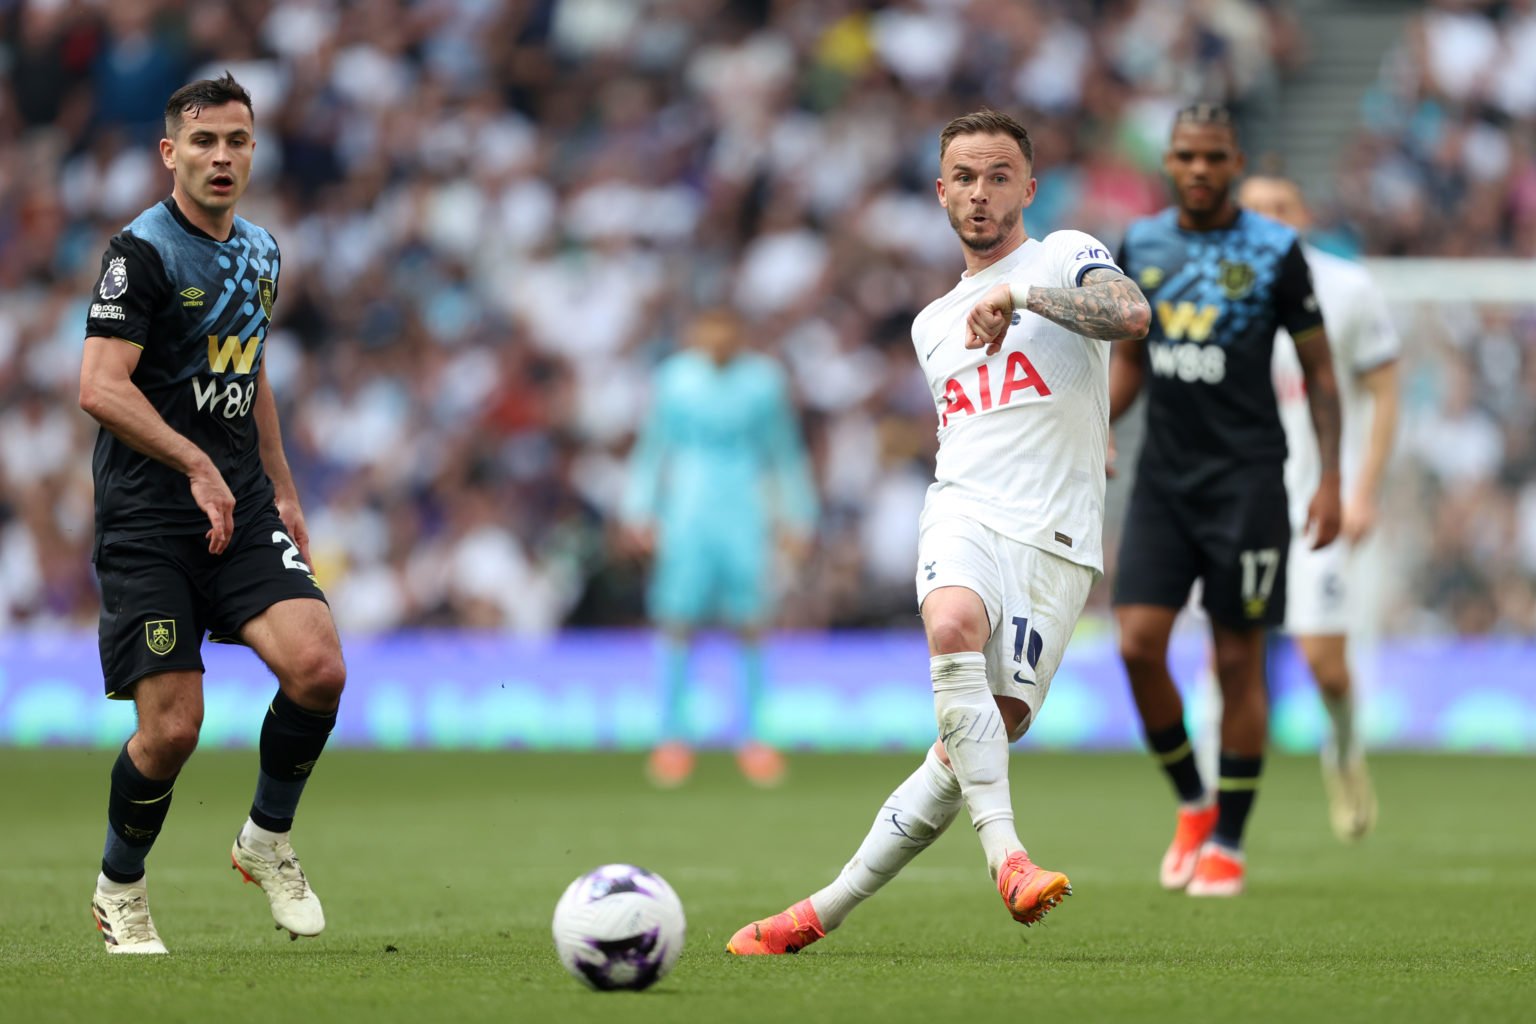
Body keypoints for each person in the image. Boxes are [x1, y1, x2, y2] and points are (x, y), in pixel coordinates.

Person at [726, 109, 1150, 954]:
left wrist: (1021, 295)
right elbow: (979, 429)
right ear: (940, 193)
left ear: (1029, 188)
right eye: (964, 178)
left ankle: (820, 910)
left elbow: (1129, 316)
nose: (981, 194)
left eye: (999, 177)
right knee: (950, 621)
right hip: (962, 508)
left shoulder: (1063, 255)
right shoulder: (930, 325)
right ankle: (1011, 859)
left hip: (1057, 543)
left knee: (974, 739)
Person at [79, 73, 345, 954]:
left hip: (239, 500)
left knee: (318, 668)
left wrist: (285, 483)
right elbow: (99, 386)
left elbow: (249, 367)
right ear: (171, 154)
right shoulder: (141, 253)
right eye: (203, 142)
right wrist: (194, 462)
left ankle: (266, 840)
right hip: (151, 519)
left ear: (254, 151)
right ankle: (121, 889)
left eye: (236, 141)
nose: (221, 156)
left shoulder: (263, 252)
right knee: (172, 729)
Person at [1110, 103, 1343, 898]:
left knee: (1240, 660)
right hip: (1163, 484)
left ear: (1235, 159)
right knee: (1138, 644)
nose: (1200, 169)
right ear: (1168, 162)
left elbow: (1319, 375)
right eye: (1185, 155)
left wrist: (1333, 483)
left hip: (1248, 483)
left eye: (1213, 156)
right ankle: (1192, 803)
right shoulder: (1139, 244)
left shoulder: (1275, 251)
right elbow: (1129, 369)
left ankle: (1231, 843)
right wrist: (1089, 432)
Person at [1198, 175, 1397, 840]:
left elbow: (1384, 392)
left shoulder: (1347, 290)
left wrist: (1362, 488)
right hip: (1239, 504)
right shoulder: (1217, 289)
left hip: (1321, 506)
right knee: (1226, 659)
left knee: (1325, 665)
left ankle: (1342, 752)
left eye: (1280, 208)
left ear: (1303, 214)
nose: (1268, 220)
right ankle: (1204, 817)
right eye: (1254, 210)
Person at [619, 307, 817, 788]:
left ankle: (753, 737)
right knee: (677, 619)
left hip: (745, 507)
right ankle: (672, 739)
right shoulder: (674, 379)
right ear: (694, 332)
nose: (718, 336)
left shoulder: (764, 381)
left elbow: (784, 451)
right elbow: (652, 449)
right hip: (686, 507)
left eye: (727, 326)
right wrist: (638, 511)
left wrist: (798, 514)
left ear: (739, 332)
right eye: (708, 326)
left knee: (751, 622)